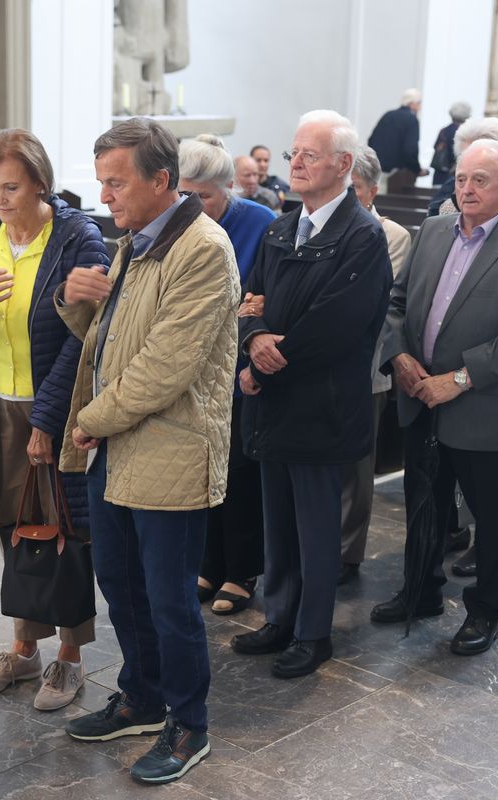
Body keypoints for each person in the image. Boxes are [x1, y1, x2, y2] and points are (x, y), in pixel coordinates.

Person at [57, 118, 239, 785]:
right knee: (123, 588)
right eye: (101, 181)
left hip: (168, 447)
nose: (105, 195)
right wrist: (77, 305)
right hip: (118, 445)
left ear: (161, 180)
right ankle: (142, 696)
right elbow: (115, 336)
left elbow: (168, 364)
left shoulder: (203, 248)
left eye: (116, 181)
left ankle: (189, 723)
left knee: (168, 600)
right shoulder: (138, 237)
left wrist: (92, 420)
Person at [370, 140, 498, 655]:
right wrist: (402, 358)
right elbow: (397, 303)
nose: (467, 189)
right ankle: (421, 591)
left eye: (480, 180)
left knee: (490, 516)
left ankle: (484, 610)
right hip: (419, 395)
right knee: (424, 503)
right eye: (460, 179)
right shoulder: (432, 231)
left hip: (483, 408)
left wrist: (453, 381)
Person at [231, 110, 392, 678]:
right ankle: (278, 616)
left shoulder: (362, 236)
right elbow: (249, 299)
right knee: (277, 518)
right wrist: (252, 340)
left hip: (321, 403)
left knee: (317, 526)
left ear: (344, 165)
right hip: (276, 402)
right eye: (293, 152)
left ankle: (313, 631)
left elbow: (337, 326)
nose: (294, 163)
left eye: (310, 155)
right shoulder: (280, 228)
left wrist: (270, 357)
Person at [0, 129, 110, 711]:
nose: (0, 199)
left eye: (12, 187)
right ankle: (24, 650)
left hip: (57, 407)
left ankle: (70, 660)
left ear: (40, 183)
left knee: (65, 529)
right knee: (15, 525)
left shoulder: (76, 239)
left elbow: (84, 342)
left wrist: (47, 419)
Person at [177, 134, 275, 615]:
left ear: (229, 188)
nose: (191, 205)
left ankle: (242, 571)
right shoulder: (174, 223)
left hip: (240, 371)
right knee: (199, 472)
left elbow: (263, 299)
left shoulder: (260, 223)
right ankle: (209, 563)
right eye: (183, 194)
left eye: (203, 196)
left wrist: (248, 313)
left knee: (237, 473)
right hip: (190, 371)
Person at [337, 145, 410, 585]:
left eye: (355, 190)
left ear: (371, 191)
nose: (347, 199)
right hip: (317, 368)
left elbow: (376, 306)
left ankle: (347, 552)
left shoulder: (392, 235)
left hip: (365, 368)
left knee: (356, 469)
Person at [368, 88, 427, 191]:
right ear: (412, 103)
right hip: (397, 176)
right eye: (419, 103)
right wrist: (417, 170)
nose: (420, 107)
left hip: (378, 171)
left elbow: (371, 140)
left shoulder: (388, 115)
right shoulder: (411, 119)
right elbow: (410, 150)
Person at [431, 101, 471, 184]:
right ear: (467, 115)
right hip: (456, 174)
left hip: (440, 174)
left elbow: (436, 148)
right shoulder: (466, 132)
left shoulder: (443, 131)